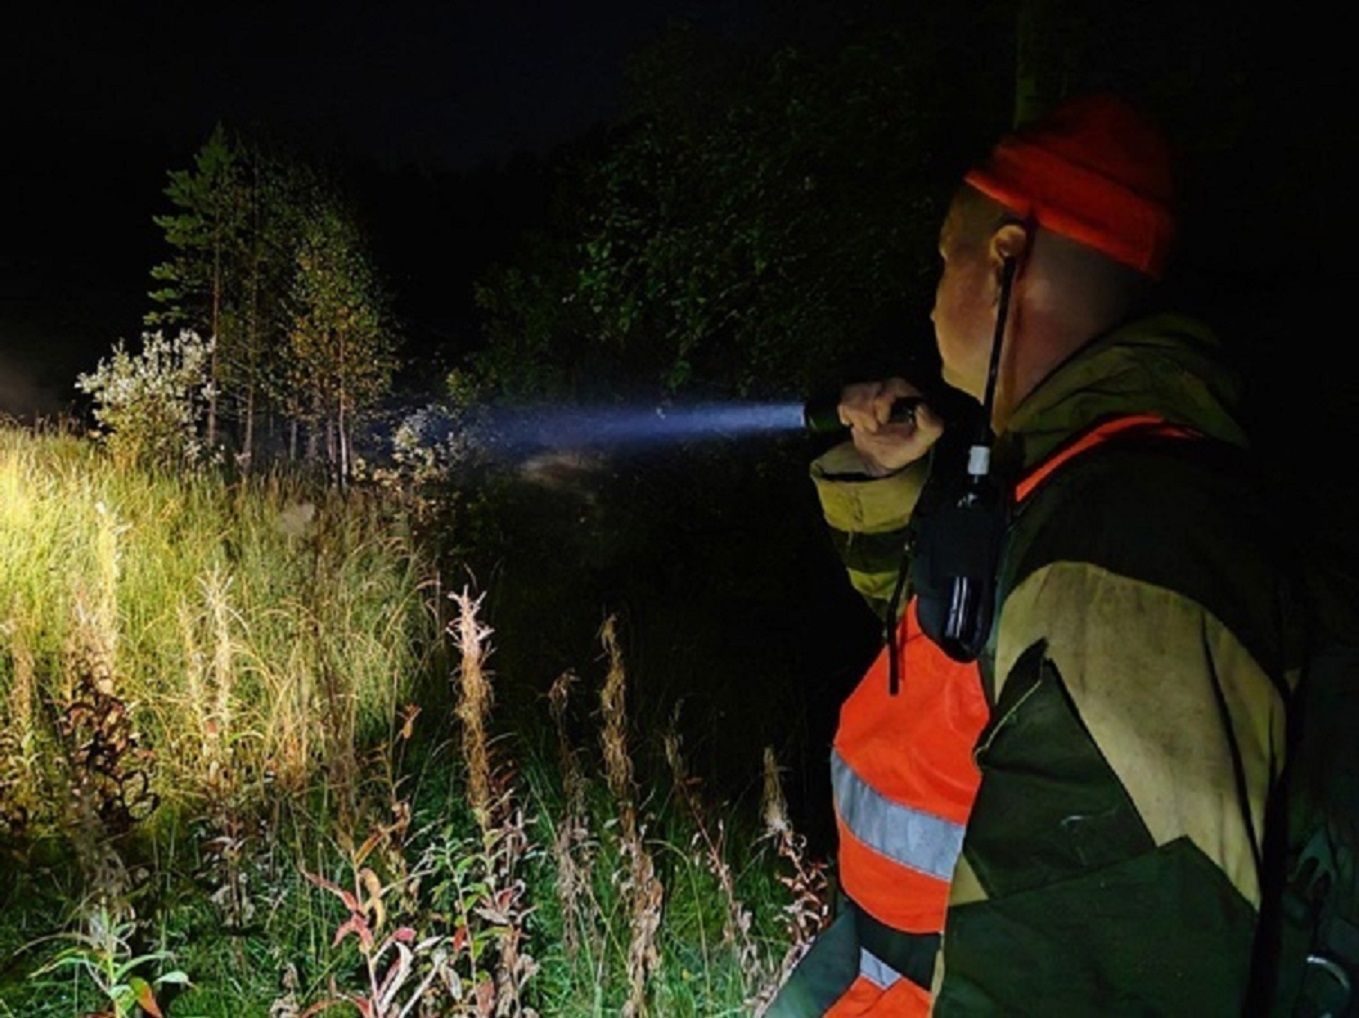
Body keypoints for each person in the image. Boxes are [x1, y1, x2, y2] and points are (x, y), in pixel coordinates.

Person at [768, 94, 1294, 1015]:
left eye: (944, 260)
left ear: (1006, 256)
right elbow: (947, 658)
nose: (931, 299)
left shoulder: (1130, 547)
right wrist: (893, 487)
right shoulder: (1053, 474)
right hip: (880, 968)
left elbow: (1099, 968)